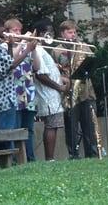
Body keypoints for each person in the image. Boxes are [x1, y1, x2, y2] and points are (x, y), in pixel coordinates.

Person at [0, 16, 36, 149]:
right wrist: (27, 49)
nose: (4, 31)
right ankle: (5, 159)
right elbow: (10, 65)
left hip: (5, 95)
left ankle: (7, 158)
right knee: (6, 132)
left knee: (7, 130)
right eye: (1, 27)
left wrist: (10, 46)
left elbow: (7, 61)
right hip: (3, 95)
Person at [53, 20, 98, 159]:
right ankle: (73, 153)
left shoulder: (83, 47)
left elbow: (92, 62)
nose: (73, 35)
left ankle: (92, 152)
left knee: (89, 125)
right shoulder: (57, 50)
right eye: (69, 32)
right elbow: (55, 71)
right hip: (69, 91)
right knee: (71, 126)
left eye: (74, 32)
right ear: (62, 33)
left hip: (86, 91)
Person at [32, 19, 68, 161]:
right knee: (51, 126)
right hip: (47, 94)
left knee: (54, 126)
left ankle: (50, 158)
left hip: (52, 94)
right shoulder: (38, 50)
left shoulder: (42, 50)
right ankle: (50, 159)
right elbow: (40, 74)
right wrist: (59, 86)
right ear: (40, 33)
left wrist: (62, 79)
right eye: (49, 31)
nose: (52, 34)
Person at [4, 18, 39, 162]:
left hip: (29, 91)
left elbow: (37, 67)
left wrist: (34, 50)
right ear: (7, 32)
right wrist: (23, 42)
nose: (19, 33)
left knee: (29, 129)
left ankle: (30, 158)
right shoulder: (4, 46)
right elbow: (11, 60)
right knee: (16, 128)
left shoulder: (27, 48)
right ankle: (16, 159)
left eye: (20, 30)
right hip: (14, 92)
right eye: (15, 30)